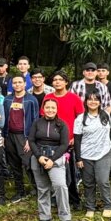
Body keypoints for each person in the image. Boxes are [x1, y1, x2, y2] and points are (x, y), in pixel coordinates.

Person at [40, 72, 83, 206]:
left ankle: (73, 199)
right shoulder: (48, 97)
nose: (57, 82)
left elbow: (80, 119)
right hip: (52, 141)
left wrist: (74, 138)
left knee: (70, 172)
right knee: (53, 170)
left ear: (66, 82)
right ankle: (55, 198)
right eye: (55, 80)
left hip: (69, 141)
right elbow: (44, 118)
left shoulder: (74, 98)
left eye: (60, 80)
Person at [29, 99, 72, 221]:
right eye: (47, 107)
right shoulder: (37, 123)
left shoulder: (61, 124)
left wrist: (52, 159)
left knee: (60, 186)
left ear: (57, 109)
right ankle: (44, 216)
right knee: (42, 188)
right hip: (39, 156)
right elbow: (31, 140)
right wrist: (39, 156)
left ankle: (65, 216)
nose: (50, 110)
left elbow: (64, 144)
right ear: (43, 109)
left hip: (56, 157)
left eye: (53, 108)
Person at [74, 92, 111, 218]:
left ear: (100, 102)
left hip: (103, 153)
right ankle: (90, 206)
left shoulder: (106, 115)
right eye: (90, 99)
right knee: (88, 182)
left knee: (103, 181)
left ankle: (108, 205)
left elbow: (110, 131)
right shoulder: (80, 118)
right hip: (86, 155)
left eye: (96, 99)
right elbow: (77, 139)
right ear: (85, 102)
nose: (93, 102)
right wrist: (78, 158)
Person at [2, 75, 38, 200]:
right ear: (12, 85)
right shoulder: (7, 100)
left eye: (20, 82)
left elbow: (35, 120)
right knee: (14, 164)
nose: (17, 85)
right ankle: (20, 190)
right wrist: (3, 136)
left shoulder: (31, 100)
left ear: (24, 84)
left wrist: (30, 139)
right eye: (15, 83)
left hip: (24, 136)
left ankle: (38, 189)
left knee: (28, 163)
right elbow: (4, 118)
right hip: (9, 135)